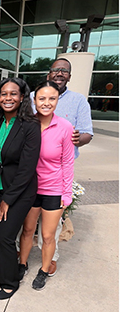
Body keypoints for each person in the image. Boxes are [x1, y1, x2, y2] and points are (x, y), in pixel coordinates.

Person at [29, 58, 94, 276]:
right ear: (49, 73)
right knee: (27, 227)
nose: (60, 73)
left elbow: (87, 133)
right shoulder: (31, 98)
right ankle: (22, 258)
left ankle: (50, 260)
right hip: (31, 176)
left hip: (57, 173)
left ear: (69, 76)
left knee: (50, 230)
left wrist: (76, 138)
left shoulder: (78, 101)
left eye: (64, 71)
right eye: (56, 70)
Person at [0, 77, 41, 300]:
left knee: (5, 236)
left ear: (22, 97)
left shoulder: (30, 126)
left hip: (20, 192)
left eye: (13, 94)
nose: (8, 98)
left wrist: (8, 200)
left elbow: (27, 168)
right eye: (4, 94)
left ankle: (10, 281)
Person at [19, 81, 74, 290]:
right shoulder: (27, 123)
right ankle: (22, 265)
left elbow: (67, 162)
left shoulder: (65, 127)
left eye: (52, 98)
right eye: (42, 98)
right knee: (27, 230)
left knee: (48, 235)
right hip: (30, 188)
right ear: (34, 100)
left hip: (54, 190)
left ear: (58, 100)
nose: (46, 103)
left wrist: (66, 194)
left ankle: (43, 270)